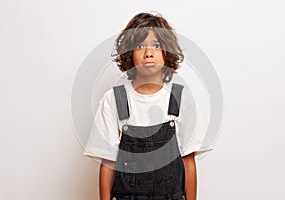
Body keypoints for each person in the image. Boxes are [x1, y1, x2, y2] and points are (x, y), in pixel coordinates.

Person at [83, 12, 210, 200]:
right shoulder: (114, 100)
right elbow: (108, 162)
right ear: (129, 53)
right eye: (140, 45)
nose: (148, 52)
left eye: (156, 45)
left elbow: (188, 160)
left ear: (167, 52)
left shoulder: (180, 98)